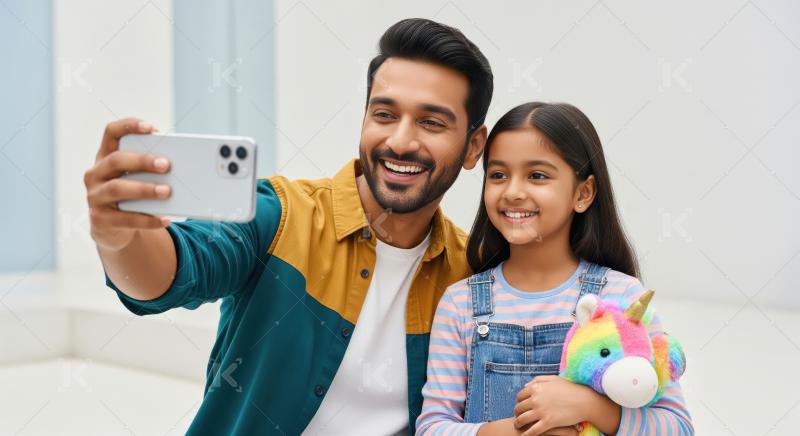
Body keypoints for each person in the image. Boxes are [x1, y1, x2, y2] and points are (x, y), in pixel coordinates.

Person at [83, 18, 492, 435]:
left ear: (473, 146)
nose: (401, 141)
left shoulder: (472, 275)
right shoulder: (279, 214)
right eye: (384, 114)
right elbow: (170, 273)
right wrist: (118, 238)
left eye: (431, 123)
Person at [416, 102, 694, 435]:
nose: (513, 191)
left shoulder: (620, 295)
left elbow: (677, 427)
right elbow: (432, 428)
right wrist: (523, 431)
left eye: (537, 175)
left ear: (583, 193)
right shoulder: (460, 304)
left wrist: (589, 406)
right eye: (498, 175)